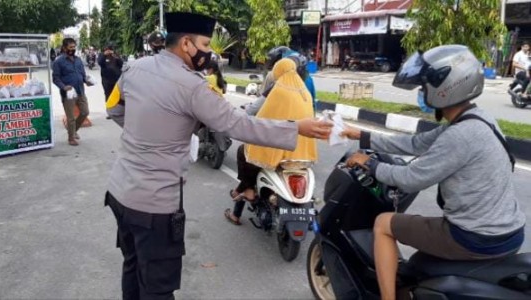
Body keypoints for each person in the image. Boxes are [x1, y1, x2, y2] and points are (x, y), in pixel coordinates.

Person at [105, 12, 332, 300]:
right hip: (154, 205)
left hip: (119, 193)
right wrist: (297, 127)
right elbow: (239, 124)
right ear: (186, 44)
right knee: (157, 287)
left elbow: (114, 109)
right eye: (206, 44)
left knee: (133, 266)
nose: (210, 52)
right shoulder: (191, 86)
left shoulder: (135, 68)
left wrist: (145, 135)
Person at [340, 45, 525, 300]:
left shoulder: (460, 135)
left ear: (445, 88)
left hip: (473, 237)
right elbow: (416, 144)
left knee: (383, 223)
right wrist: (361, 136)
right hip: (508, 232)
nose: (422, 92)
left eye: (424, 87)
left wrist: (369, 164)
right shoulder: (478, 118)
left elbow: (410, 179)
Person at [225, 58, 318, 225]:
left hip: (281, 147)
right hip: (301, 154)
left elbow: (262, 119)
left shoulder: (278, 89)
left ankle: (244, 196)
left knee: (245, 152)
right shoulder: (305, 92)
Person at [245, 46, 317, 115]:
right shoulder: (308, 82)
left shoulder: (279, 84)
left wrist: (250, 109)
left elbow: (261, 101)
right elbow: (313, 106)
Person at [52, 38, 93, 146]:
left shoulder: (78, 60)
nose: (73, 49)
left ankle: (74, 130)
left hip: (80, 91)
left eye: (74, 47)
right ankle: (71, 138)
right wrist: (63, 87)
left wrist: (87, 81)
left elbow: (83, 75)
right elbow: (55, 78)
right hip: (68, 93)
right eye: (70, 47)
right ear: (64, 48)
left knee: (85, 112)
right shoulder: (59, 61)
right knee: (70, 118)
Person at [98, 43, 124, 119]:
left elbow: (121, 64)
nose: (108, 51)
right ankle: (110, 112)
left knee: (119, 95)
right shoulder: (102, 56)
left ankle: (119, 111)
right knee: (108, 95)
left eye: (110, 49)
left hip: (117, 80)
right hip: (106, 80)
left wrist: (116, 57)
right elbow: (100, 62)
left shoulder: (115, 55)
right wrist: (104, 55)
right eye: (107, 49)